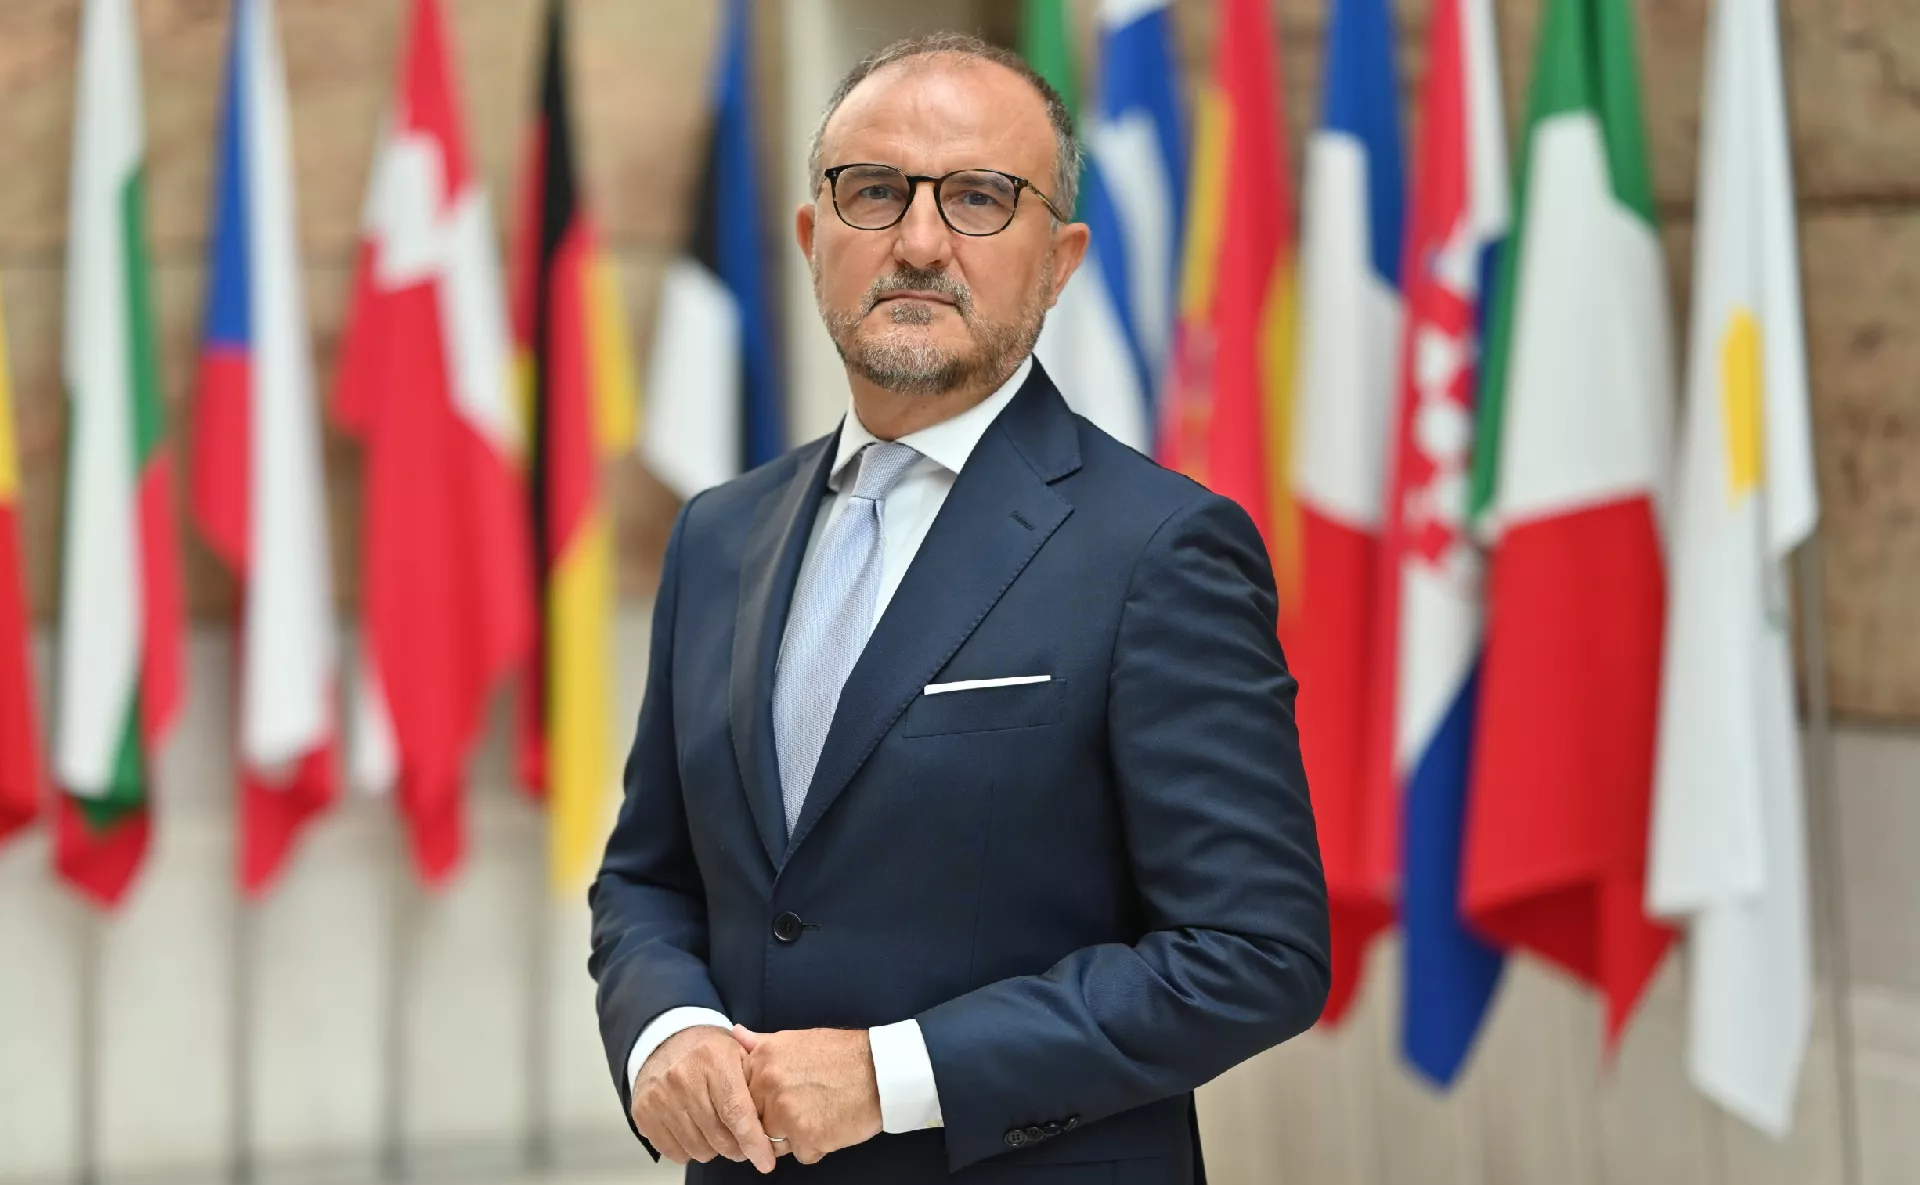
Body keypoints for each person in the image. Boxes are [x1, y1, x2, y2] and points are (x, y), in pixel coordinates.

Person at [589, 32, 1329, 1184]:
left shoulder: (1160, 548)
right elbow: (651, 874)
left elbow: (1253, 952)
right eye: (875, 191)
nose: (921, 242)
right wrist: (666, 1033)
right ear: (813, 236)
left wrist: (890, 1076)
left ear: (1062, 259)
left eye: (980, 197)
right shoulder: (719, 536)